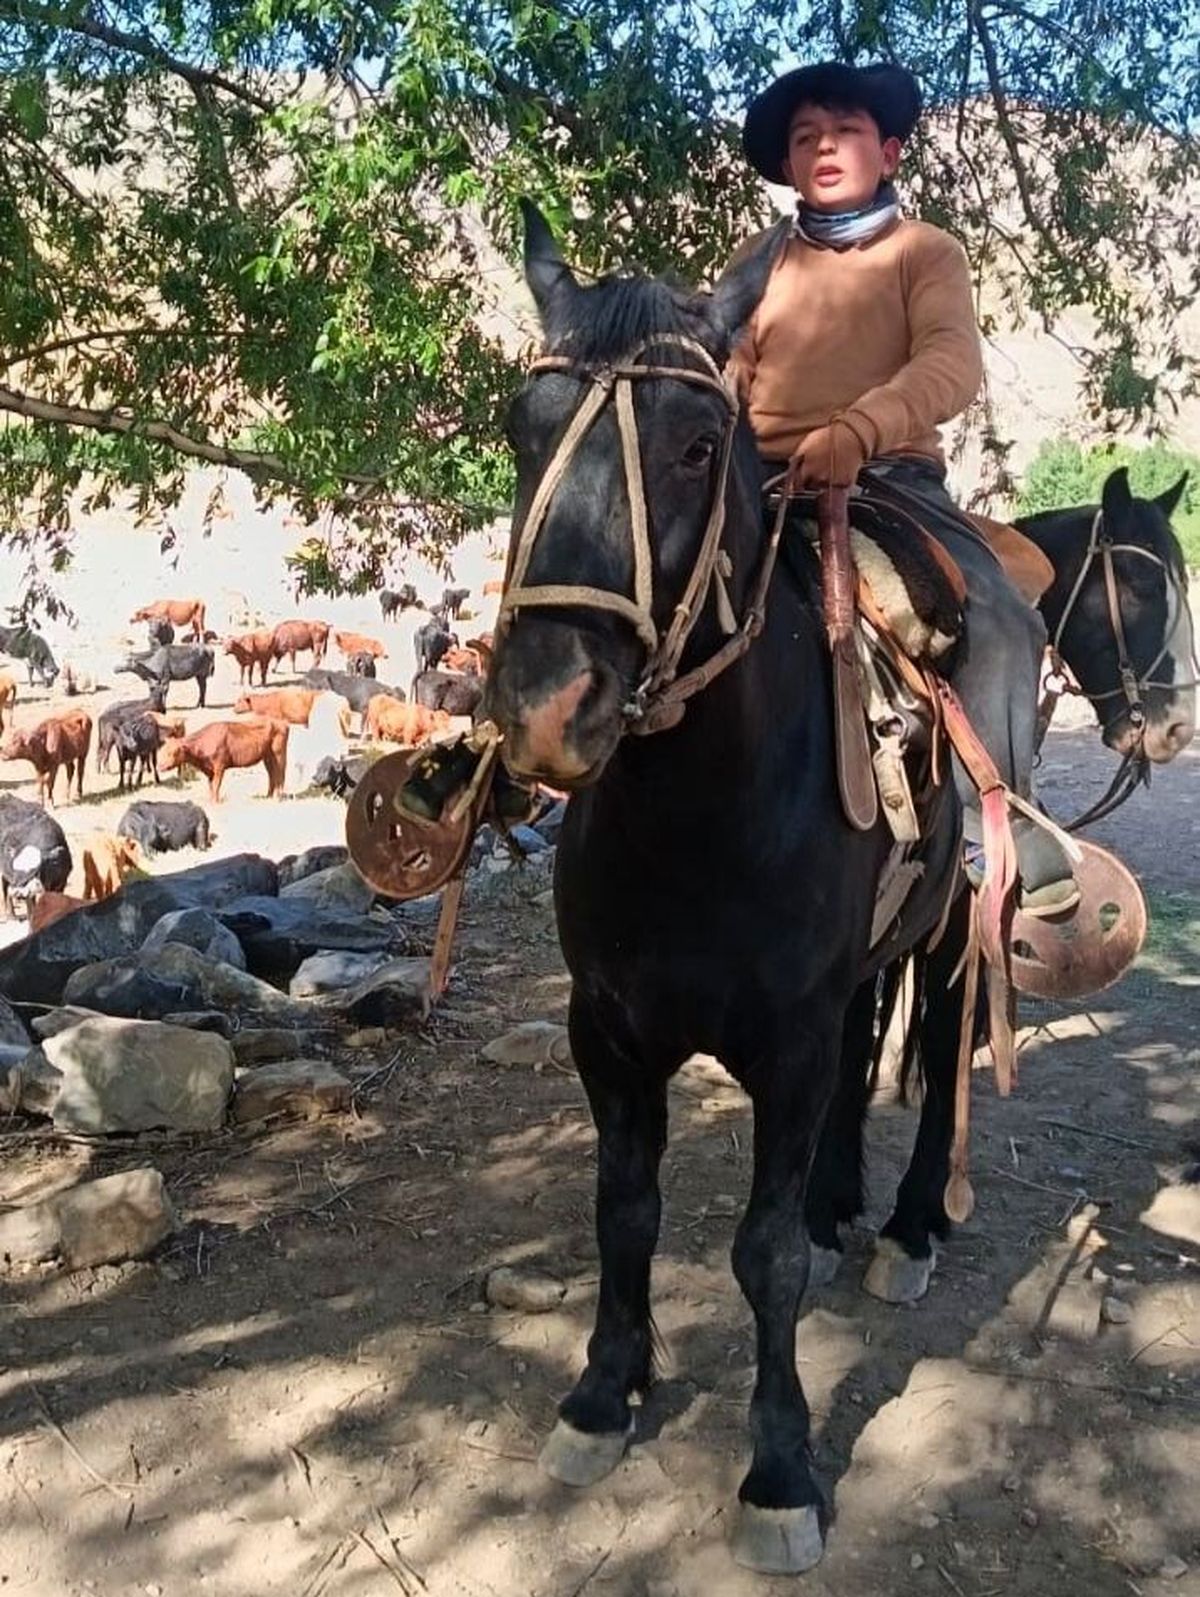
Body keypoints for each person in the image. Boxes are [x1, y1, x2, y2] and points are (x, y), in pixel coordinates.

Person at [730, 60, 1077, 915]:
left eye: (842, 132)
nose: (822, 148)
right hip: (761, 482)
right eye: (804, 137)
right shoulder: (755, 262)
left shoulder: (925, 252)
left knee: (998, 618)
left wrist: (857, 431)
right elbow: (726, 367)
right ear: (789, 166)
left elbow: (951, 365)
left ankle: (1003, 820)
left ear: (886, 152)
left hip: (892, 480)